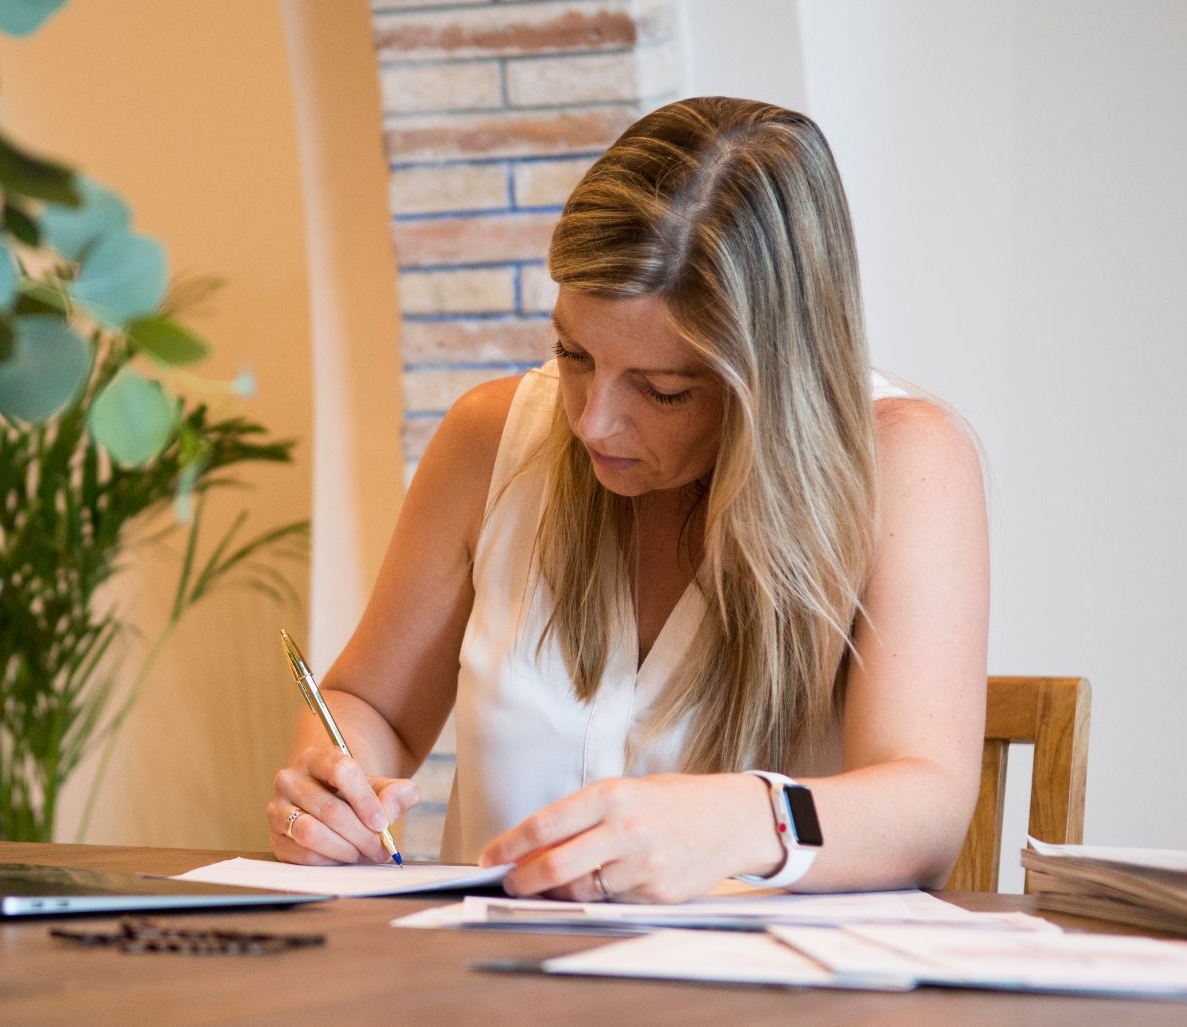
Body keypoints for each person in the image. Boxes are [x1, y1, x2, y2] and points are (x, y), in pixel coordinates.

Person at [268, 96, 988, 903]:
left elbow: (925, 810)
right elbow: (372, 708)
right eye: (572, 352)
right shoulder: (490, 440)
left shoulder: (904, 464)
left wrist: (737, 822)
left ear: (771, 384)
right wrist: (336, 788)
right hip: (491, 993)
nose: (592, 419)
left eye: (663, 389)